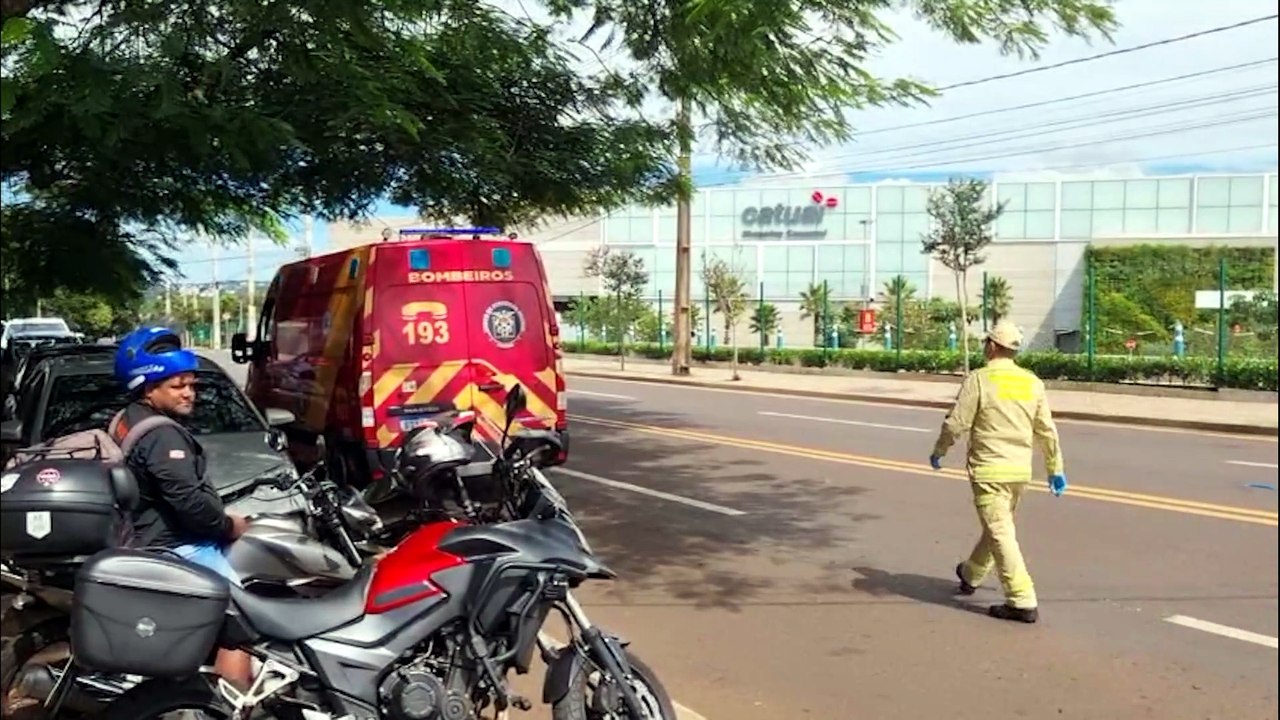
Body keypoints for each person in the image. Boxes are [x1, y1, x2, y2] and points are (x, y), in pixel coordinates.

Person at [112, 326, 253, 687]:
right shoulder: (162, 434)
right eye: (178, 386)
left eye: (191, 384)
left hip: (141, 541)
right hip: (178, 546)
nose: (190, 393)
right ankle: (231, 705)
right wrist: (228, 526)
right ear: (148, 388)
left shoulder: (126, 420)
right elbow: (189, 502)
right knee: (243, 624)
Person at [928, 320, 1067, 624]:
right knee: (998, 526)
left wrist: (940, 450)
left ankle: (1022, 600)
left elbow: (956, 423)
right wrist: (1055, 468)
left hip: (989, 471)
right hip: (1019, 472)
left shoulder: (979, 379)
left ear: (991, 346)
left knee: (1000, 531)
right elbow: (1046, 429)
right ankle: (971, 573)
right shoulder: (1032, 382)